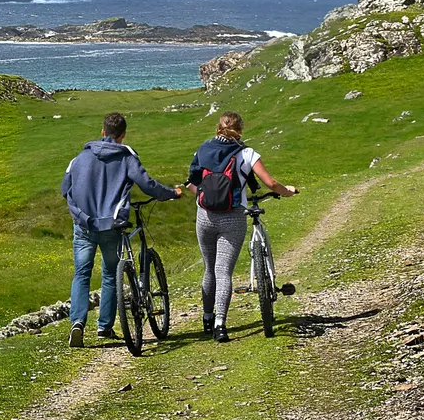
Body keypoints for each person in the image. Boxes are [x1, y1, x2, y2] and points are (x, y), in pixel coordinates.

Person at [60, 112, 183, 347]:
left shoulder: (79, 158)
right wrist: (171, 194)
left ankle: (77, 323)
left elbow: (65, 188)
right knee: (109, 275)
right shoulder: (126, 155)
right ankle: (104, 327)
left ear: (102, 131)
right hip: (111, 225)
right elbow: (147, 185)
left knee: (82, 274)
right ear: (123, 135)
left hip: (84, 224)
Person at [187, 111, 298, 341]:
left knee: (209, 269)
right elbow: (271, 183)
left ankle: (207, 318)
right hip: (233, 217)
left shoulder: (203, 149)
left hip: (205, 216)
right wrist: (288, 191)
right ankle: (220, 325)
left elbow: (190, 182)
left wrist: (203, 196)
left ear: (219, 127)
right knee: (223, 271)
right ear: (240, 130)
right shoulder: (246, 153)